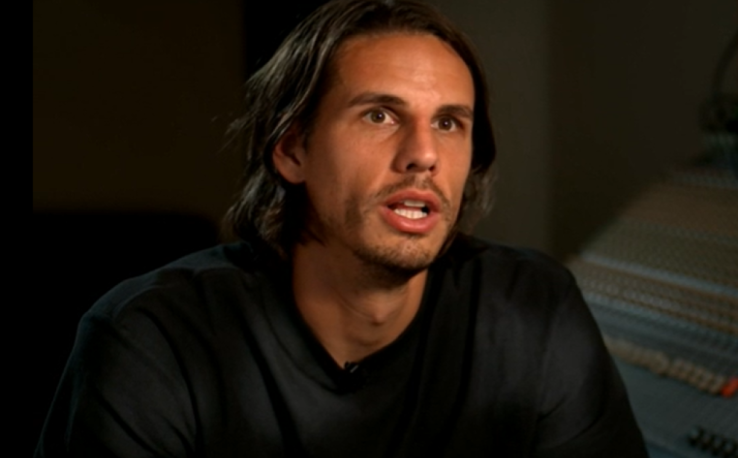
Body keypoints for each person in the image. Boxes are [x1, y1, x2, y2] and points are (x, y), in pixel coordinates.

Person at [36, 0, 648, 456]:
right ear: (292, 150)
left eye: (448, 123)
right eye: (380, 115)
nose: (423, 155)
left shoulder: (533, 312)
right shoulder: (151, 340)